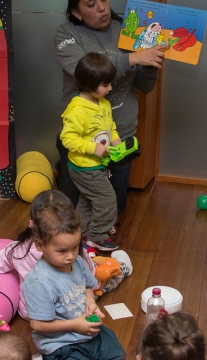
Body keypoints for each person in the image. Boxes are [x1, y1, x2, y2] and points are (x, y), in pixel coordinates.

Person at [55, 0, 166, 219]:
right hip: (82, 141)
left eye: (104, 0)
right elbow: (85, 72)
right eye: (90, 4)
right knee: (73, 214)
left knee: (113, 210)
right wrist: (134, 57)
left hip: (118, 140)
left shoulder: (129, 31)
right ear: (76, 13)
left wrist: (150, 63)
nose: (102, 7)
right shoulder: (66, 35)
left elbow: (144, 86)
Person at [0, 190, 132, 318]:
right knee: (103, 272)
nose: (69, 255)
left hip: (31, 313)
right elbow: (90, 274)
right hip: (71, 310)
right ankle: (124, 268)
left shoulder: (17, 250)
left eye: (72, 248)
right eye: (62, 249)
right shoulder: (75, 253)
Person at [21, 195, 126, 360]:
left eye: (75, 247)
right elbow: (38, 325)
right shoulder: (39, 281)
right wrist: (75, 325)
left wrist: (89, 301)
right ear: (40, 245)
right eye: (61, 250)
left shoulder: (74, 262)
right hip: (61, 343)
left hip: (83, 331)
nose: (70, 255)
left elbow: (88, 285)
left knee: (118, 357)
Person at [61, 53, 121, 251]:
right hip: (84, 167)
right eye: (106, 85)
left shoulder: (103, 103)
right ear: (89, 84)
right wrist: (94, 148)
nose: (110, 88)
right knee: (107, 200)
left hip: (97, 165)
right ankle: (96, 235)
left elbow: (109, 124)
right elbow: (68, 139)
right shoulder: (77, 110)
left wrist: (115, 139)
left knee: (88, 201)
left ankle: (80, 231)